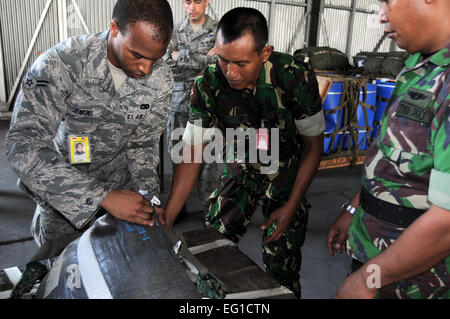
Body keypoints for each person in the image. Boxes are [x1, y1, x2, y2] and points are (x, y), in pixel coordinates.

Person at [159, 7, 325, 298]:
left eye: (241, 63)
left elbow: (313, 146)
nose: (231, 72)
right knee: (211, 249)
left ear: (264, 53)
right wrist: (168, 220)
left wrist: (291, 205)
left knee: (282, 263)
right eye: (223, 59)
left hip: (286, 172)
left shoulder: (293, 77)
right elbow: (192, 154)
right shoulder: (207, 83)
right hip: (241, 165)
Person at [4, 0, 174, 247]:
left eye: (156, 58)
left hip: (125, 204)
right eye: (137, 55)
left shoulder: (161, 78)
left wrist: (147, 198)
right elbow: (23, 147)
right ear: (114, 28)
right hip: (65, 203)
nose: (146, 69)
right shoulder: (62, 64)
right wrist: (101, 196)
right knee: (63, 277)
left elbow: (143, 145)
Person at [327, 0, 450, 299]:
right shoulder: (418, 69)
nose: (381, 15)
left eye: (387, 1)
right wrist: (354, 208)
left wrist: (367, 280)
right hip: (378, 255)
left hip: (416, 280)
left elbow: (446, 221)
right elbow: (389, 160)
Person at [164, 0, 218, 218]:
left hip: (207, 104)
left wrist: (182, 55)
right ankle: (177, 209)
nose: (192, 7)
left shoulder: (218, 29)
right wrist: (203, 59)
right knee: (178, 155)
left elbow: (218, 63)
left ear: (207, 2)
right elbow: (166, 62)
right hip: (179, 103)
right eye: (188, 2)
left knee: (209, 160)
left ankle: (210, 210)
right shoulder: (175, 30)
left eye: (197, 1)